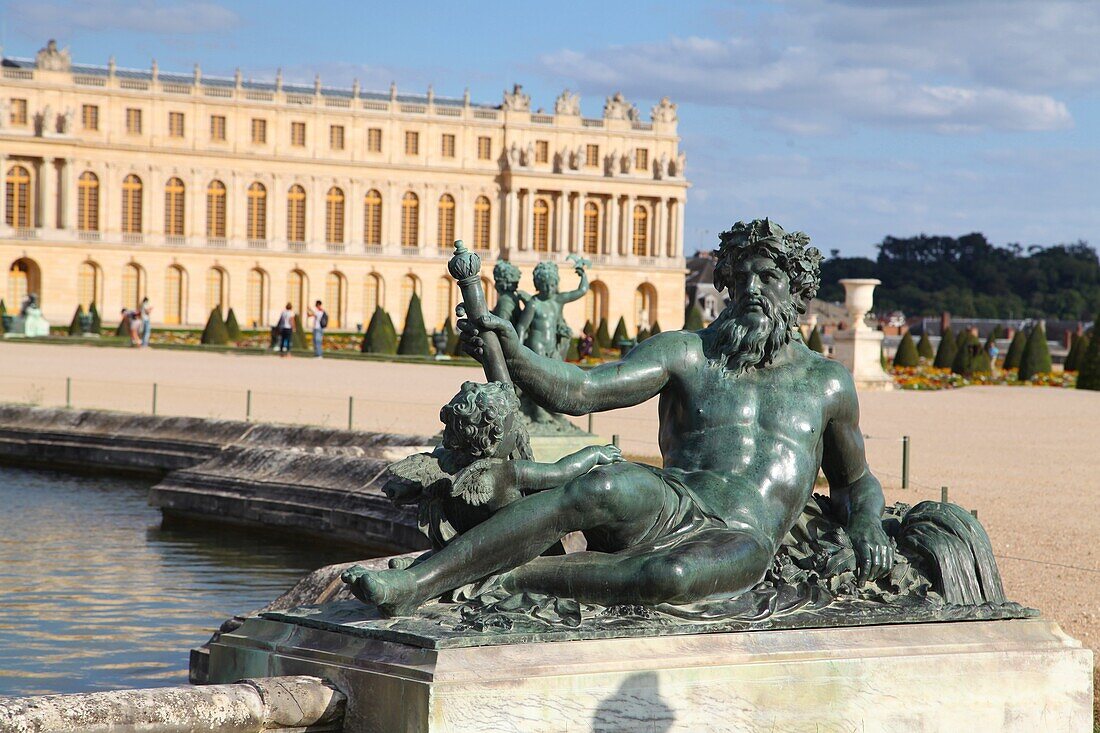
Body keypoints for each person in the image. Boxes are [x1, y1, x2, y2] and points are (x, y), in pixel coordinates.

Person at [345, 218, 894, 618]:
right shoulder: (687, 352)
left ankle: (502, 574)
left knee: (672, 576)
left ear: (796, 291)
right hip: (673, 496)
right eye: (741, 277)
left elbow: (856, 482)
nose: (752, 289)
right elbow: (584, 390)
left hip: (745, 533)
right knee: (605, 485)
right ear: (725, 286)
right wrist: (515, 352)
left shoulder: (827, 383)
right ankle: (416, 583)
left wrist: (868, 522)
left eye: (768, 277)